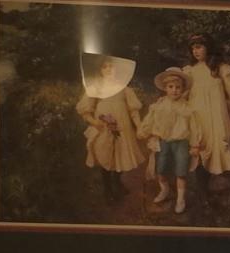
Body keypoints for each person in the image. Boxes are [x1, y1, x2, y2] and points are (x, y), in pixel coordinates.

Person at [75, 54, 147, 205]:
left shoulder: (123, 88)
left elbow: (133, 110)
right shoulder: (96, 87)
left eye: (111, 66)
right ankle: (107, 189)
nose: (109, 69)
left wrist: (139, 126)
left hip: (122, 125)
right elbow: (85, 110)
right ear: (100, 70)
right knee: (105, 154)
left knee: (120, 154)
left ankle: (117, 183)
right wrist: (95, 122)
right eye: (105, 67)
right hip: (103, 126)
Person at [182, 34, 230, 178]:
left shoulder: (220, 69)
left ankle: (228, 187)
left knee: (221, 148)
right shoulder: (190, 71)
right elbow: (183, 95)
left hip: (217, 117)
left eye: (199, 47)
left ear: (209, 48)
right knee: (200, 148)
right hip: (198, 117)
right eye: (193, 48)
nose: (195, 51)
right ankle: (203, 193)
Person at [138, 68, 202, 214]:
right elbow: (150, 120)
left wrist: (195, 144)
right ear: (165, 88)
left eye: (178, 87)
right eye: (171, 87)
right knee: (160, 169)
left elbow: (194, 126)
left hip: (181, 142)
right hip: (163, 141)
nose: (174, 91)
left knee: (181, 171)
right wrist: (144, 131)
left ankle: (180, 199)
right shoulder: (159, 105)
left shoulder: (187, 107)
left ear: (183, 89)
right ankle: (165, 189)